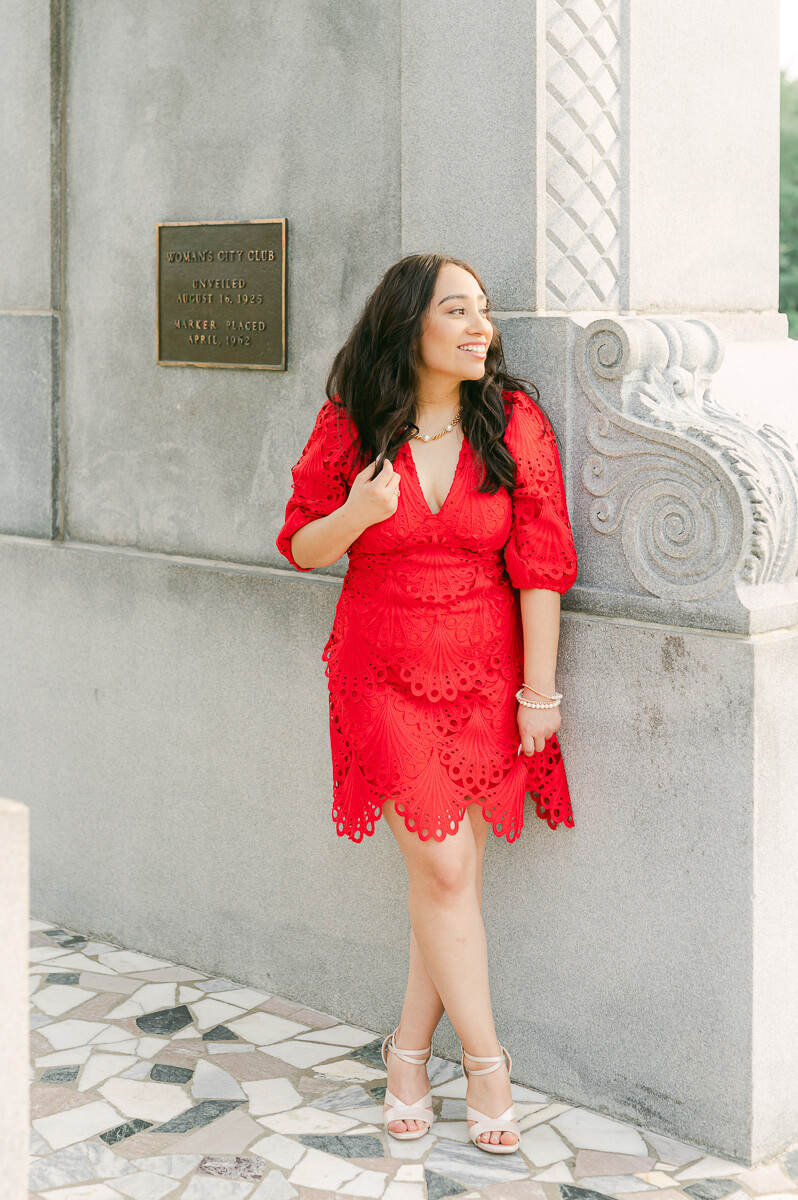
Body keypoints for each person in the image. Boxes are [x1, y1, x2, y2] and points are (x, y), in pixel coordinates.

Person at [275, 253, 578, 1154]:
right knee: (446, 872)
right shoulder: (353, 424)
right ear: (409, 324)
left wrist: (539, 692)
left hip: (488, 679)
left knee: (444, 882)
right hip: (378, 675)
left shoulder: (514, 420)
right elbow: (300, 545)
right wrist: (362, 510)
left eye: (484, 312)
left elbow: (543, 563)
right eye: (458, 311)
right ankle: (490, 1067)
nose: (481, 326)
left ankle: (408, 1052)